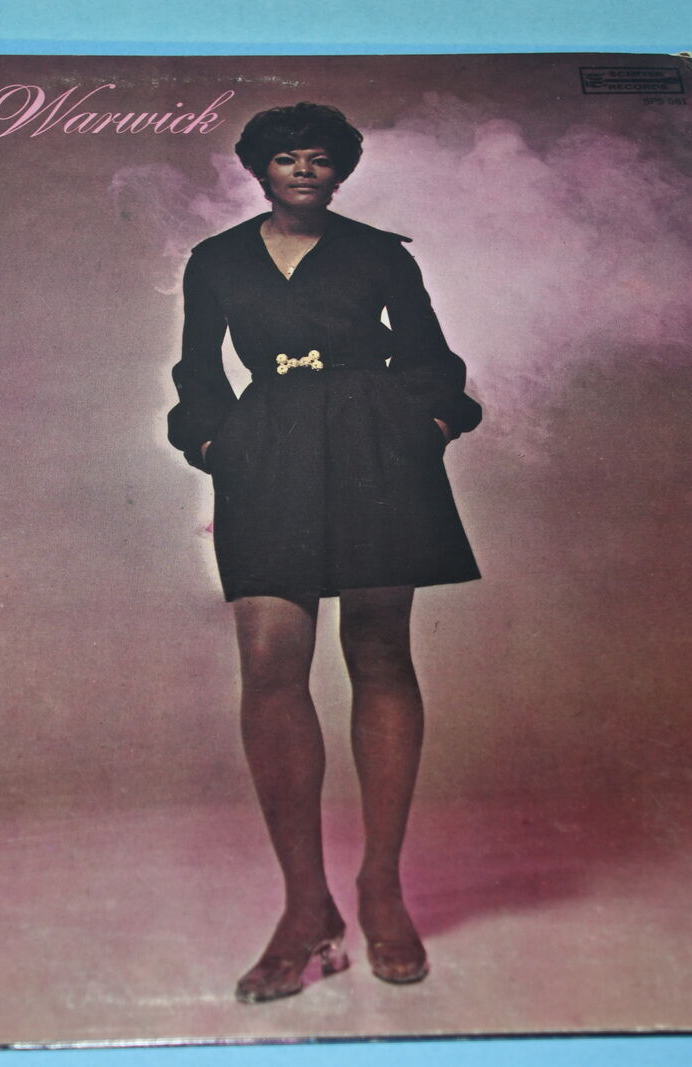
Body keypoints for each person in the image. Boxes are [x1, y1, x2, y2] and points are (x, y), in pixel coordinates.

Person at [167, 103, 483, 1004]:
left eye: (318, 158)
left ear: (339, 171)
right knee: (271, 662)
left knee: (379, 650)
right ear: (260, 171)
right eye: (286, 158)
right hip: (267, 453)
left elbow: (431, 360)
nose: (303, 170)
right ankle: (306, 907)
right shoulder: (216, 260)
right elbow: (198, 375)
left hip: (376, 449)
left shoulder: (381, 253)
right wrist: (216, 444)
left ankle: (381, 885)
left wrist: (424, 428)